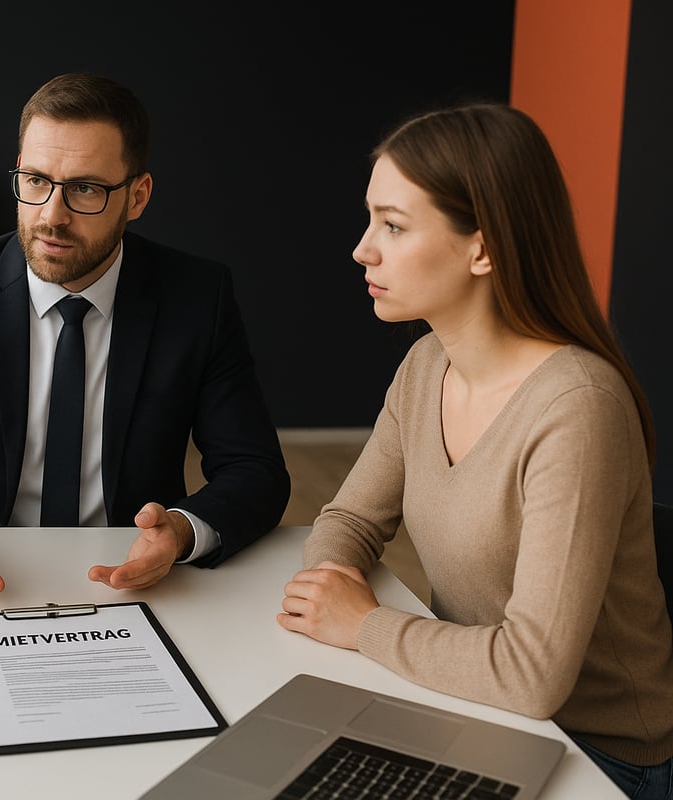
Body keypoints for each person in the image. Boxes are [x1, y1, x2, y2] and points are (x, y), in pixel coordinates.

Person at [277, 102, 673, 798]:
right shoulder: (427, 364)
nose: (362, 249)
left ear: (482, 248)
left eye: (393, 226)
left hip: (601, 761)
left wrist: (364, 625)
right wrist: (330, 590)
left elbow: (531, 674)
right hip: (477, 711)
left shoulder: (578, 408)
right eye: (371, 219)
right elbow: (348, 521)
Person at [0, 72, 290, 594]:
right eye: (35, 181)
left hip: (134, 578)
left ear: (137, 197)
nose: (52, 216)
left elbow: (256, 471)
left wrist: (183, 533)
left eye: (85, 189)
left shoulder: (196, 298)